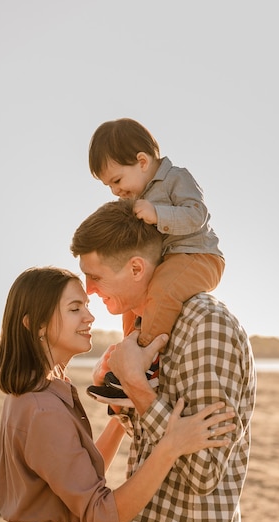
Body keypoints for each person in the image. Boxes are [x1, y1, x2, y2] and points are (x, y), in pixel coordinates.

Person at [0, 266, 236, 522]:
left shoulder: (44, 391)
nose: (90, 316)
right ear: (36, 324)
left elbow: (79, 477)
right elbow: (102, 514)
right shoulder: (41, 408)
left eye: (87, 306)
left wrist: (121, 417)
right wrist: (171, 445)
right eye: (75, 309)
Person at [70, 200, 256, 522]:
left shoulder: (205, 324)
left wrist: (136, 385)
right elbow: (164, 438)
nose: (90, 290)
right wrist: (125, 400)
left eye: (95, 276)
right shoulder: (150, 329)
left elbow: (204, 471)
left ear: (137, 268)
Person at [87, 117, 225, 407]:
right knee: (131, 300)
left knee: (162, 290)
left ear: (141, 161)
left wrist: (157, 213)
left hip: (197, 255)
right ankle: (127, 355)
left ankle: (146, 365)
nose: (115, 190)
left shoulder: (177, 178)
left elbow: (197, 214)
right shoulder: (136, 194)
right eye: (107, 186)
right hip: (168, 261)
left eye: (116, 180)